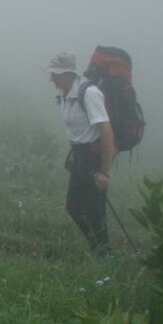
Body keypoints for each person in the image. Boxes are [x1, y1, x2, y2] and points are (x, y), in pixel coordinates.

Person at [44, 51, 117, 254]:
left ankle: (105, 253)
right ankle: (97, 247)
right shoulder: (65, 94)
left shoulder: (90, 93)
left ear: (67, 73)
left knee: (94, 209)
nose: (51, 78)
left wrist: (104, 172)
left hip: (93, 155)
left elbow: (106, 131)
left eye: (55, 74)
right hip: (79, 155)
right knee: (74, 207)